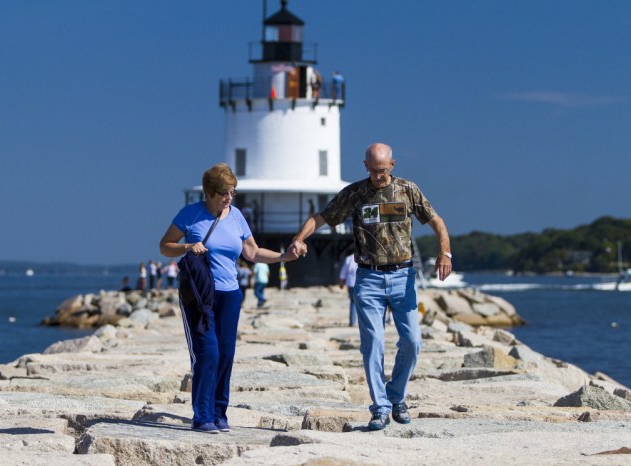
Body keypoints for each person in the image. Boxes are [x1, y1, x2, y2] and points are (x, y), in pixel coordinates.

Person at [289, 143, 452, 431]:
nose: (378, 175)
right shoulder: (355, 194)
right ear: (365, 166)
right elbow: (322, 218)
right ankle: (380, 408)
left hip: (403, 277)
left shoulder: (407, 190)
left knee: (413, 342)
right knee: (373, 345)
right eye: (373, 170)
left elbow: (436, 221)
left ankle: (396, 396)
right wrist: (299, 238)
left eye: (383, 169)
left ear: (392, 165)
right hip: (368, 278)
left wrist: (445, 252)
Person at [159, 163, 298, 434]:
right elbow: (165, 246)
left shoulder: (236, 216)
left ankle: (220, 413)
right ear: (210, 192)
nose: (229, 198)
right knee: (207, 353)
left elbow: (252, 252)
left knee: (226, 354)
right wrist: (188, 246)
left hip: (230, 295)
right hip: (200, 296)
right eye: (224, 192)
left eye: (233, 192)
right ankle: (202, 416)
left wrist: (283, 257)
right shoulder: (190, 214)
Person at [339, 251, 358, 327]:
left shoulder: (349, 259)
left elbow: (343, 272)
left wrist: (341, 283)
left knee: (353, 302)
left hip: (351, 283)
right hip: (360, 283)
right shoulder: (364, 257)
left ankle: (352, 321)